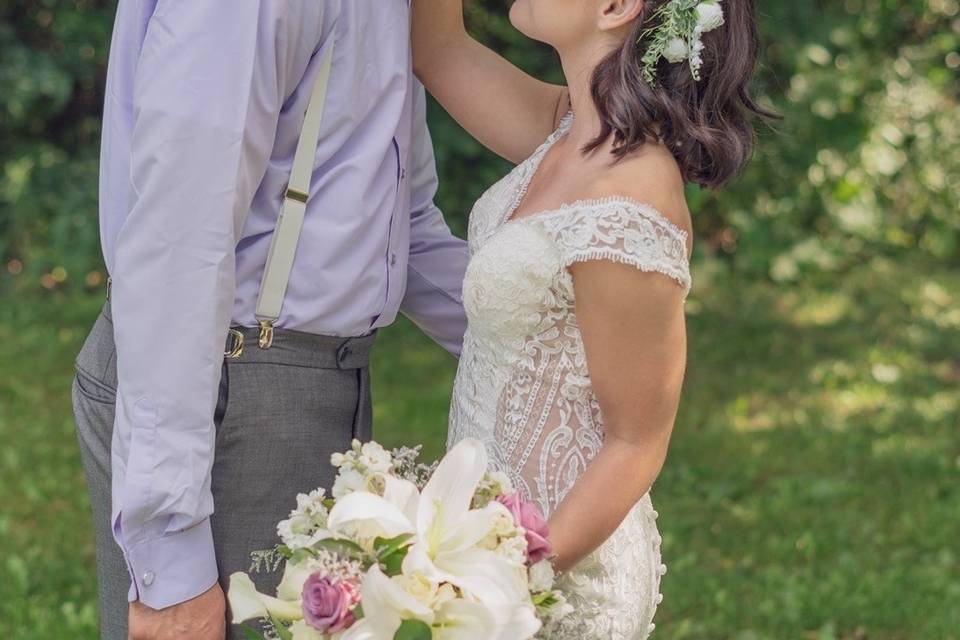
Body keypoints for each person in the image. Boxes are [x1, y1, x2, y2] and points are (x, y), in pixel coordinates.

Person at [71, 2, 468, 639]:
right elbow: (179, 250)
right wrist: (171, 570)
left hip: (316, 385)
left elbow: (402, 227)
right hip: (226, 388)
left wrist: (554, 350)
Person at [413, 0, 773, 637]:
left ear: (614, 8)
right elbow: (437, 46)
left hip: (555, 568)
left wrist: (502, 580)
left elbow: (636, 445)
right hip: (476, 543)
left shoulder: (628, 195)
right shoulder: (568, 129)